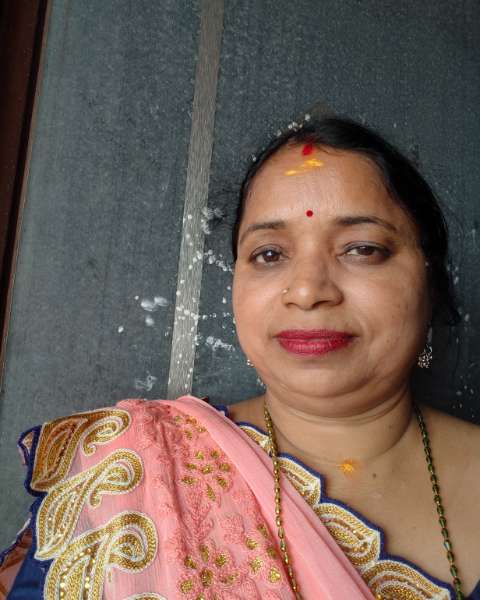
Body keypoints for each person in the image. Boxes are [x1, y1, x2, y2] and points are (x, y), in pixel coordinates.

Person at [0, 115, 478, 600]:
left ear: (432, 283)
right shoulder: (132, 468)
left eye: (362, 249)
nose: (307, 290)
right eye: (269, 254)